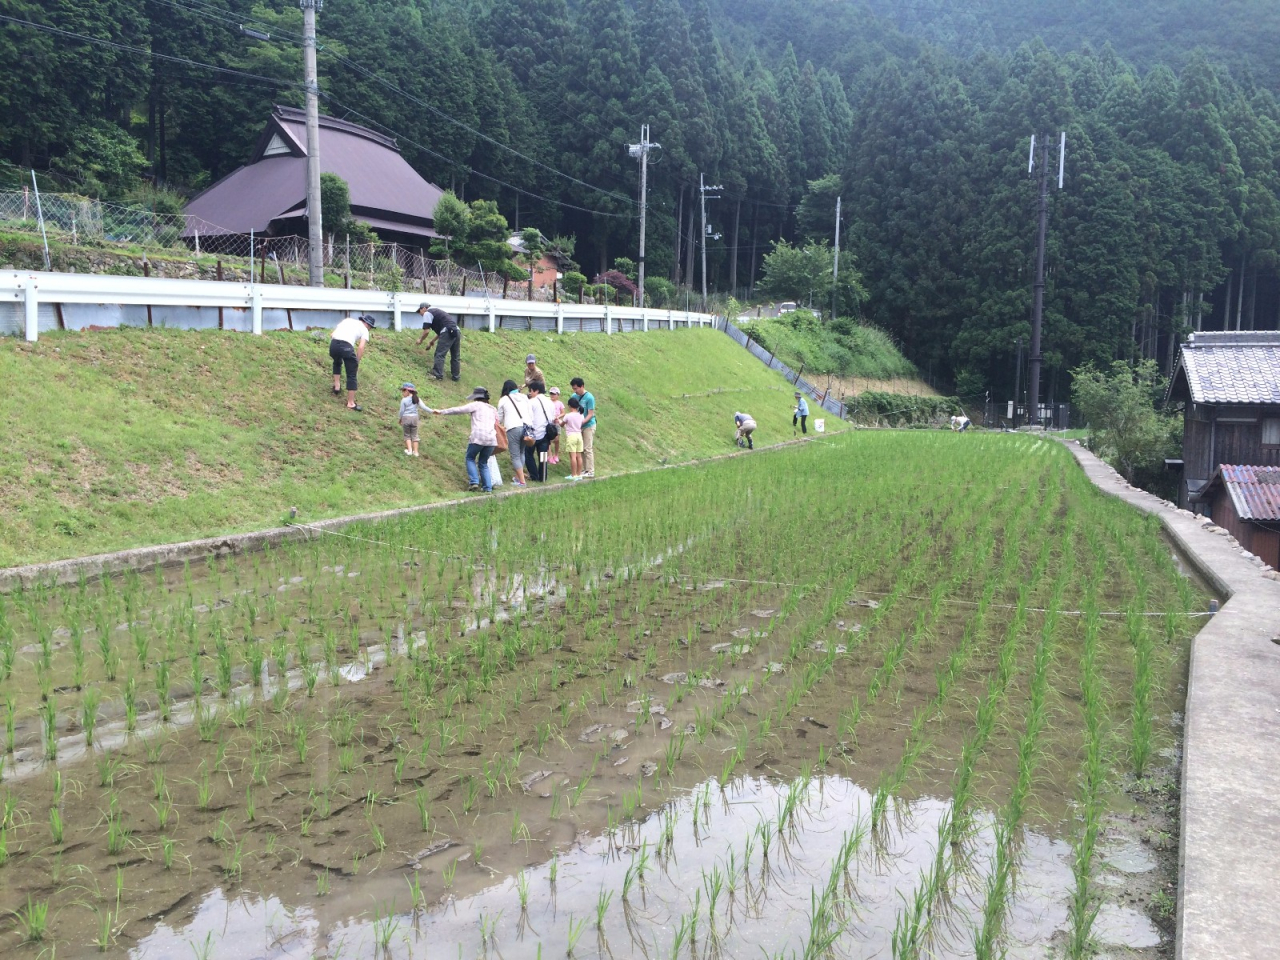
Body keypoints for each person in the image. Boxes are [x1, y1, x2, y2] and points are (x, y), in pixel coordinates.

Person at [433, 386, 498, 492]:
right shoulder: (493, 409)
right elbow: (497, 423)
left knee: (470, 458)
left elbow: (458, 410)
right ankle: (487, 488)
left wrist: (441, 412)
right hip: (491, 439)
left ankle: (474, 482)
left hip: (478, 437)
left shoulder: (476, 405)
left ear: (476, 397)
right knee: (483, 462)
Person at [330, 314, 376, 411]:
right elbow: (361, 347)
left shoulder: (347, 320)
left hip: (333, 344)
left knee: (337, 362)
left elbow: (332, 334)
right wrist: (357, 361)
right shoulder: (365, 330)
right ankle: (350, 403)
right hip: (346, 346)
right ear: (368, 325)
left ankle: (337, 386)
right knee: (351, 374)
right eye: (370, 327)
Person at [496, 379, 533, 487]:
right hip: (526, 427)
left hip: (513, 428)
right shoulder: (524, 397)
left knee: (515, 455)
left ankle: (522, 481)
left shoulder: (504, 399)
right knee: (522, 452)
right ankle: (518, 478)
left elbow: (499, 418)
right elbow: (530, 413)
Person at [415, 302, 461, 381]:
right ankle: (456, 377)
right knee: (455, 356)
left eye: (420, 313)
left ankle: (437, 375)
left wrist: (420, 340)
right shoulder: (436, 312)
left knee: (439, 354)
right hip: (457, 331)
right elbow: (442, 332)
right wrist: (432, 341)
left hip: (448, 331)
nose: (421, 315)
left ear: (423, 308)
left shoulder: (427, 313)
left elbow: (426, 331)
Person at [525, 380, 557, 483]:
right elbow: (552, 418)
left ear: (536, 390)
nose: (530, 393)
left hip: (533, 433)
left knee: (528, 454)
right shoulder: (550, 403)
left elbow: (528, 418)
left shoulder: (531, 402)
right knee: (543, 455)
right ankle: (543, 476)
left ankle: (534, 475)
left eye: (531, 391)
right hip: (545, 434)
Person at [570, 377, 596, 477]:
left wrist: (581, 422)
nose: (575, 391)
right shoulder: (574, 396)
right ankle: (583, 470)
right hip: (578, 426)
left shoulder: (589, 397)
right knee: (580, 448)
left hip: (588, 425)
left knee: (587, 448)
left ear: (582, 386)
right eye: (573, 389)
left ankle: (590, 470)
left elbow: (590, 414)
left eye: (576, 388)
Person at [398, 382, 433, 457]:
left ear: (407, 391)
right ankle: (416, 452)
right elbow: (424, 407)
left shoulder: (404, 400)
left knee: (407, 435)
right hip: (415, 418)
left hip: (406, 418)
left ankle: (410, 450)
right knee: (414, 435)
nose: (402, 393)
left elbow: (401, 411)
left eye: (403, 391)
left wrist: (400, 419)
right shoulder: (417, 399)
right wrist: (432, 411)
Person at [560, 395, 586, 480]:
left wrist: (558, 421)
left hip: (571, 436)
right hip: (579, 436)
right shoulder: (581, 415)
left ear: (569, 406)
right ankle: (579, 474)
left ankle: (573, 474)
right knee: (579, 456)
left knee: (573, 456)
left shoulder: (568, 415)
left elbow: (562, 424)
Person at [547, 386, 566, 464]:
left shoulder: (559, 403)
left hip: (557, 423)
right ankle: (550, 456)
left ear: (558, 395)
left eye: (554, 394)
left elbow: (563, 412)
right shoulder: (547, 402)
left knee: (557, 439)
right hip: (550, 423)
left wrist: (558, 417)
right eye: (551, 394)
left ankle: (556, 455)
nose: (552, 395)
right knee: (548, 440)